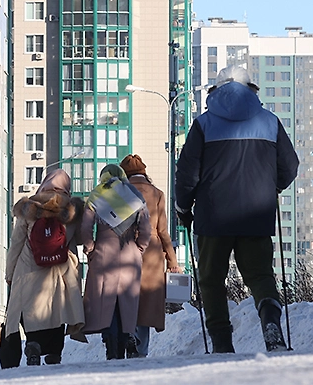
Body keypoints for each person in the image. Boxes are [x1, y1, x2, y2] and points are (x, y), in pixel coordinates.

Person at [175, 65, 299, 353]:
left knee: (211, 279)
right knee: (260, 276)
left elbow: (187, 173)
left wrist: (184, 208)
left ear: (215, 91)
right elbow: (290, 166)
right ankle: (271, 320)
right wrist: (272, 188)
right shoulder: (270, 122)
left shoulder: (204, 124)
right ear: (252, 89)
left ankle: (221, 343)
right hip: (257, 214)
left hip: (213, 216)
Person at [4, 168, 85, 366]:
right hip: (59, 270)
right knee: (56, 310)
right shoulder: (72, 209)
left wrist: (10, 273)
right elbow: (80, 239)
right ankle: (54, 351)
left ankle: (33, 344)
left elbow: (16, 242)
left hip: (28, 268)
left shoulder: (29, 206)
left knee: (31, 310)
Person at [79, 164, 152, 360]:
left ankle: (111, 343)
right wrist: (139, 247)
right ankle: (127, 335)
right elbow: (146, 229)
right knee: (127, 300)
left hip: (103, 254)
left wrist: (90, 248)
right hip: (130, 253)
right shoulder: (134, 195)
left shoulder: (97, 195)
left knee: (106, 300)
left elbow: (86, 229)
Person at [120, 154, 180, 357]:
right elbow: (163, 231)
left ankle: (127, 336)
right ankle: (140, 348)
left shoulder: (120, 191)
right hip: (152, 253)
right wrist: (172, 261)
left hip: (125, 247)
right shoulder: (158, 193)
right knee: (146, 302)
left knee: (126, 297)